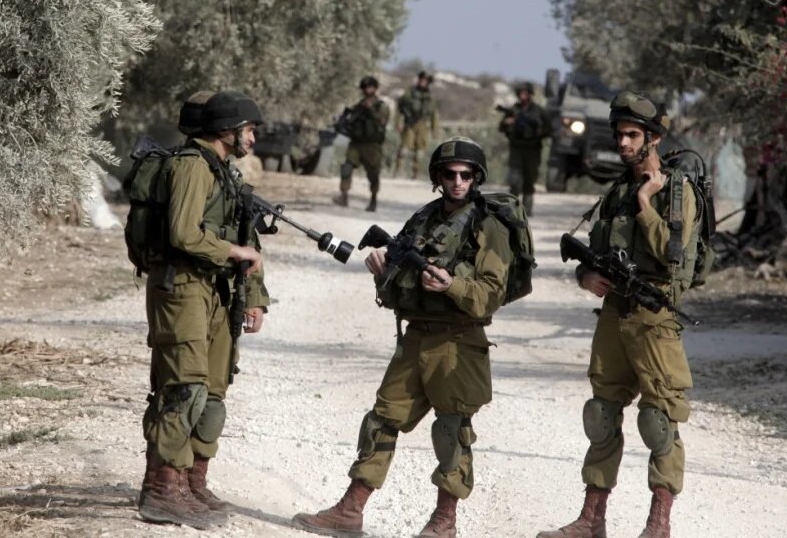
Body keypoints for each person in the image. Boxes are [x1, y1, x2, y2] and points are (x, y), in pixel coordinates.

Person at [293, 137, 514, 538]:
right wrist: (383, 271)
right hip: (416, 337)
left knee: (452, 430)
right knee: (381, 421)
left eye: (466, 175)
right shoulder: (424, 218)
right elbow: (396, 290)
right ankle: (350, 511)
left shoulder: (488, 226)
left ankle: (444, 522)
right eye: (450, 174)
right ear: (438, 177)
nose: (458, 182)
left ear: (476, 177)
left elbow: (491, 295)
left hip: (459, 342)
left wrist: (451, 285)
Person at [537, 92, 696, 538]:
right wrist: (586, 276)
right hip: (614, 313)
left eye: (632, 135)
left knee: (658, 420)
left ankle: (658, 525)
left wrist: (646, 201)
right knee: (601, 415)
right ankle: (592, 520)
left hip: (653, 318)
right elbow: (595, 253)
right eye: (619, 134)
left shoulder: (675, 192)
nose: (623, 143)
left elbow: (670, 254)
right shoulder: (616, 191)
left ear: (654, 138)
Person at [137, 90, 271, 529]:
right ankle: (162, 488)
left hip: (213, 289)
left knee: (212, 391)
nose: (253, 138)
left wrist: (255, 295)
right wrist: (234, 252)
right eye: (249, 129)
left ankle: (190, 482)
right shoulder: (193, 166)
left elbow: (244, 235)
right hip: (182, 287)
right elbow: (183, 233)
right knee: (184, 388)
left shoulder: (222, 170)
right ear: (226, 129)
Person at [333, 76, 390, 211]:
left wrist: (370, 110)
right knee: (347, 167)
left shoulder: (381, 106)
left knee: (373, 173)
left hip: (372, 145)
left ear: (375, 89)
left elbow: (382, 122)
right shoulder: (358, 106)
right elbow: (350, 121)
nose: (367, 90)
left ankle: (373, 199)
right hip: (356, 143)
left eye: (369, 87)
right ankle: (344, 196)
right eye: (364, 88)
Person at [498, 81, 552, 216]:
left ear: (530, 94)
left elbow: (549, 129)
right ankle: (512, 209)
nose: (523, 95)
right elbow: (501, 127)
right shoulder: (513, 110)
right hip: (516, 149)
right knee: (514, 181)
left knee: (529, 181)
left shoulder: (538, 111)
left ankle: (527, 210)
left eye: (525, 93)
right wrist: (507, 122)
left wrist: (537, 132)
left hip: (533, 150)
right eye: (521, 93)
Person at [394, 70, 439, 179]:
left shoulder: (430, 98)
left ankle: (415, 173)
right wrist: (398, 122)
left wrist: (435, 130)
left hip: (423, 125)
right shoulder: (409, 94)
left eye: (426, 81)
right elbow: (399, 108)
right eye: (422, 80)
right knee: (404, 149)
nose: (423, 82)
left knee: (419, 152)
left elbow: (434, 115)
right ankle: (397, 171)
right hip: (409, 124)